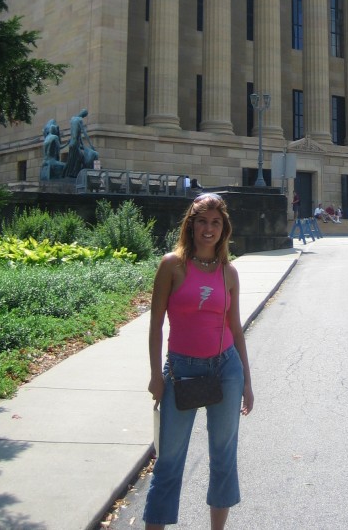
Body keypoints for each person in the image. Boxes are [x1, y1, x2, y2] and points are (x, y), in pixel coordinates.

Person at [143, 193, 253, 529]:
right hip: (180, 371)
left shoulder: (228, 273)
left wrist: (247, 381)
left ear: (224, 228)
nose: (209, 229)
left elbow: (234, 328)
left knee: (223, 456)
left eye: (216, 222)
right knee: (169, 460)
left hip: (225, 369)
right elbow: (155, 326)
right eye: (202, 221)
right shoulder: (171, 265)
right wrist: (155, 376)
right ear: (191, 225)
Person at [63, 109, 99, 178]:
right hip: (75, 144)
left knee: (73, 159)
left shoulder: (72, 119)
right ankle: (73, 174)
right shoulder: (80, 120)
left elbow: (77, 135)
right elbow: (84, 133)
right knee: (79, 158)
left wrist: (82, 145)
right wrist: (91, 145)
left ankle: (70, 174)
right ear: (84, 115)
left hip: (72, 143)